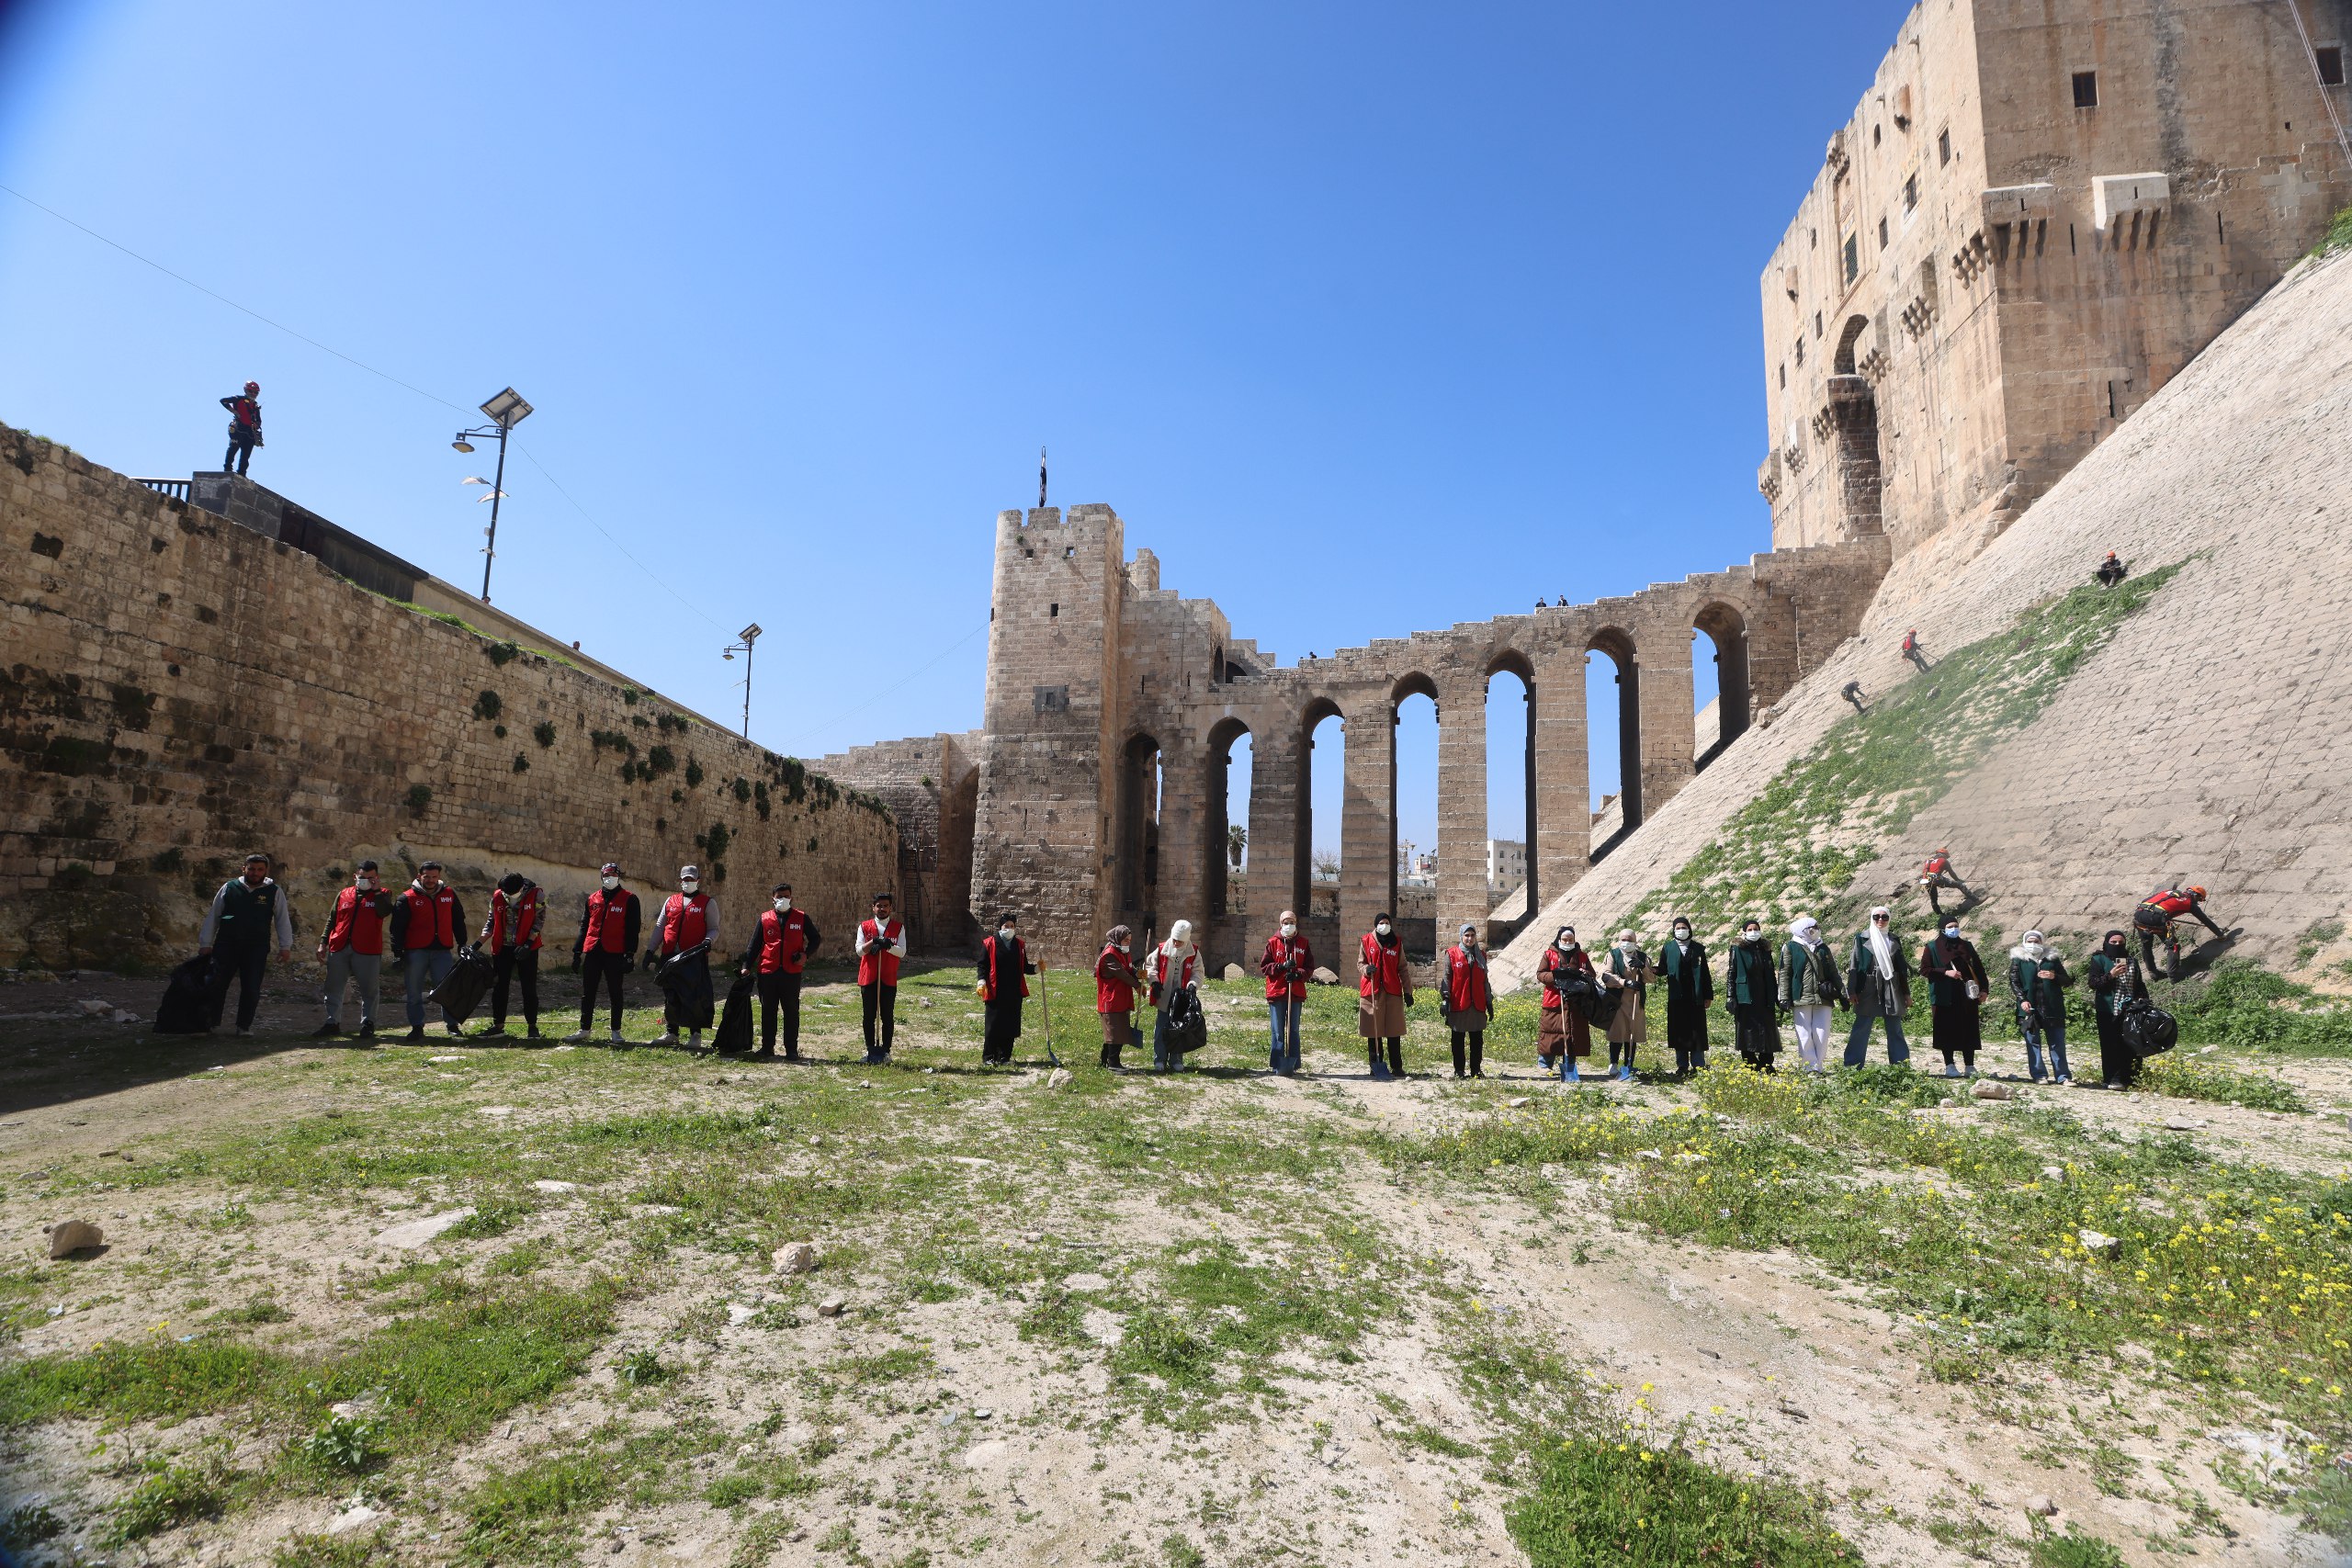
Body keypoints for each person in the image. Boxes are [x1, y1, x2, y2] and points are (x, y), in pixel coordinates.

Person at [198, 852, 295, 1036]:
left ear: (266, 871)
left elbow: (282, 920)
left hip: (256, 947)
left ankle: (244, 1026)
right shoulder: (229, 888)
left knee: (251, 987)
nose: (255, 873)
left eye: (260, 870)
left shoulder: (274, 891)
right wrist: (206, 942)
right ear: (244, 869)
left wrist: (285, 946)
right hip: (226, 944)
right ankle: (210, 1023)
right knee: (216, 984)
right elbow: (214, 915)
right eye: (251, 869)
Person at [737, 882, 820, 1060]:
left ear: (792, 898)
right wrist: (746, 966)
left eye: (786, 896)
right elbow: (754, 945)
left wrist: (806, 955)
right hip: (768, 971)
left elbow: (815, 939)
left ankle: (791, 1049)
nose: (783, 899)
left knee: (791, 1011)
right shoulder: (765, 918)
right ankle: (767, 1047)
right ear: (773, 899)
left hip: (791, 972)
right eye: (779, 896)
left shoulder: (801, 918)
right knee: (768, 1010)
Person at [315, 860, 392, 1039]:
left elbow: (384, 912)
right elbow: (332, 919)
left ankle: (368, 1023)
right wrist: (323, 943)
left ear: (376, 878)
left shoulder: (383, 894)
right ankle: (332, 1022)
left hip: (368, 949)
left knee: (369, 989)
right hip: (340, 946)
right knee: (333, 987)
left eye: (370, 878)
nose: (365, 880)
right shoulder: (344, 894)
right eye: (362, 877)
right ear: (355, 877)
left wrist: (377, 891)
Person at [390, 862, 465, 1042]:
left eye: (434, 877)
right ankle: (417, 1027)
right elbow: (397, 928)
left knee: (446, 990)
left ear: (439, 877)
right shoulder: (406, 898)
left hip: (442, 951)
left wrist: (462, 943)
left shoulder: (449, 894)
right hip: (416, 951)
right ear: (419, 876)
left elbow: (458, 920)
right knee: (414, 991)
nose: (430, 880)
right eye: (427, 877)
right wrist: (398, 953)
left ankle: (452, 1025)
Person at [566, 864, 640, 1044]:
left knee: (615, 992)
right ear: (601, 876)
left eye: (614, 874)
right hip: (593, 950)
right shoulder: (593, 898)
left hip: (615, 952)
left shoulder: (629, 899)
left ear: (619, 877)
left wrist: (630, 954)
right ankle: (584, 1029)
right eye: (607, 874)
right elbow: (585, 926)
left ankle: (616, 1030)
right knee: (588, 991)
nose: (610, 877)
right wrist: (577, 952)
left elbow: (633, 929)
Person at [650, 865, 718, 1048]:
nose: (688, 882)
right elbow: (660, 926)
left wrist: (708, 941)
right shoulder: (671, 901)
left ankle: (695, 1034)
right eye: (685, 879)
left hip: (693, 956)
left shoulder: (707, 903)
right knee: (670, 994)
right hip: (670, 955)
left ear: (698, 881)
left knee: (693, 995)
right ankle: (671, 1032)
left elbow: (714, 928)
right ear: (680, 880)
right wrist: (650, 950)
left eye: (691, 879)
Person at [1918, 916, 1989, 1077]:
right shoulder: (1932, 947)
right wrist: (1945, 972)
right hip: (1944, 996)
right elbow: (1925, 970)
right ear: (1942, 928)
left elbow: (1979, 969)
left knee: (1968, 1028)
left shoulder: (1967, 946)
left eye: (1956, 926)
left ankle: (1970, 1065)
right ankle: (1949, 1065)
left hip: (1967, 995)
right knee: (1946, 1029)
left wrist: (1984, 990)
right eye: (1950, 926)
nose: (1954, 929)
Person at [477, 872, 545, 1040]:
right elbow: (491, 922)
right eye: (504, 892)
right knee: (499, 988)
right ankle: (498, 1026)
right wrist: (477, 943)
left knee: (528, 988)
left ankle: (532, 1027)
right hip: (503, 948)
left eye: (510, 892)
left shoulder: (536, 895)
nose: (506, 894)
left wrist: (528, 945)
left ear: (521, 887)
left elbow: (539, 922)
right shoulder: (498, 895)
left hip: (526, 948)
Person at [1843, 906, 1913, 1066]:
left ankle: (1900, 1065)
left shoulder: (1894, 939)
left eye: (1884, 917)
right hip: (1868, 985)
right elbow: (1854, 965)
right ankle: (1853, 1064)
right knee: (1862, 1026)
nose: (1880, 920)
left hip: (1892, 985)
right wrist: (1852, 990)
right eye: (1876, 917)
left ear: (1889, 919)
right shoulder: (1861, 938)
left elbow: (1901, 969)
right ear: (1871, 918)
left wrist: (1906, 994)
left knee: (1895, 1026)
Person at [1779, 916, 1845, 1073]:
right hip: (1800, 996)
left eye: (1816, 926)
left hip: (1823, 997)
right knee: (1804, 1034)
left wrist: (1843, 995)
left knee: (1822, 1034)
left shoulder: (1822, 947)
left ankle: (1818, 1066)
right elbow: (1785, 973)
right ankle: (1810, 1068)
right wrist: (1784, 997)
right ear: (1802, 930)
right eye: (1812, 927)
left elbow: (1834, 972)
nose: (1815, 929)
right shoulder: (1790, 947)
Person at [2008, 929, 2074, 1085]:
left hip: (2052, 1007)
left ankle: (2063, 1076)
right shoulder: (2019, 959)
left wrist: (2054, 976)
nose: (2033, 944)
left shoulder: (2052, 959)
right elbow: (2014, 981)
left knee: (2057, 1042)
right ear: (2024, 943)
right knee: (2033, 1042)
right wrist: (2022, 999)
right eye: (2030, 942)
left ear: (2042, 943)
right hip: (2029, 1007)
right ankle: (2039, 1075)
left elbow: (2067, 981)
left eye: (2036, 941)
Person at [2086, 929, 2149, 1089]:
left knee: (2131, 1043)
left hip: (2130, 1009)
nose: (2117, 945)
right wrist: (2111, 975)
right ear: (2107, 943)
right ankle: (2112, 1079)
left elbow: (2139, 984)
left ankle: (2132, 1078)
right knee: (2110, 1044)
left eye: (2121, 942)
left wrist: (2143, 999)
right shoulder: (2099, 959)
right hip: (2108, 1010)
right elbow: (2094, 983)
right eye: (2113, 942)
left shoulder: (2132, 961)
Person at [1358, 912, 1415, 1081]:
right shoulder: (1366, 940)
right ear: (1376, 925)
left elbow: (1403, 968)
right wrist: (1366, 969)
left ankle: (1397, 1067)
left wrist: (1408, 992)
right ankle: (1376, 1065)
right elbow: (1360, 962)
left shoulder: (1396, 942)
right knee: (1373, 1031)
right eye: (1381, 922)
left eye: (1387, 922)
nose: (1384, 925)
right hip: (1372, 990)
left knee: (1393, 1030)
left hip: (1392, 991)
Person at [977, 910, 1036, 1066]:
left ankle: (1004, 1057)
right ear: (1000, 927)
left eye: (1012, 926)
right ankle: (989, 1057)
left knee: (1010, 1025)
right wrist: (981, 981)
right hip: (995, 990)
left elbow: (1024, 967)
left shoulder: (1019, 945)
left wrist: (1037, 969)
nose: (1009, 928)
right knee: (993, 1025)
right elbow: (982, 965)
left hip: (1013, 991)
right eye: (1006, 925)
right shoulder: (989, 943)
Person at [1538, 926, 1597, 1083]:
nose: (1568, 942)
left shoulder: (1582, 956)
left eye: (1570, 939)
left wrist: (1586, 974)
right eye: (1565, 939)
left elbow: (1592, 973)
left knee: (1573, 1034)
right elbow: (1541, 974)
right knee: (1551, 1031)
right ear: (1559, 939)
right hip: (1555, 999)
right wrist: (1557, 977)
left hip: (1576, 1001)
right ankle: (1545, 1063)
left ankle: (1569, 1064)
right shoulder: (1549, 954)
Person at [2134, 883, 2225, 979]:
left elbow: (2147, 901)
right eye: (2200, 900)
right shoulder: (2189, 903)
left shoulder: (2169, 892)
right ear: (2196, 896)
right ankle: (2174, 975)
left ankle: (2153, 972)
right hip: (2156, 918)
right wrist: (2220, 935)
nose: (2197, 902)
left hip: (2139, 914)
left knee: (2146, 945)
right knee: (2173, 945)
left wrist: (2165, 913)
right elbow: (2206, 921)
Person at [856, 892, 907, 1064]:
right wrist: (874, 942)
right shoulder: (864, 926)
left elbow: (902, 952)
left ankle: (886, 1051)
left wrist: (888, 945)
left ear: (890, 908)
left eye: (885, 906)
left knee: (887, 1016)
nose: (882, 909)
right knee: (868, 1016)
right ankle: (870, 1049)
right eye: (879, 906)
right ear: (873, 907)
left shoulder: (898, 927)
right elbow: (859, 951)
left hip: (888, 977)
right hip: (869, 977)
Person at [1657, 918, 1713, 1077]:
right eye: (1678, 927)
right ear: (1673, 930)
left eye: (1684, 927)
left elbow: (1705, 974)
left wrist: (1708, 995)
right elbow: (1662, 969)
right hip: (1677, 997)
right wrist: (1650, 970)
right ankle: (1682, 1065)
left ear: (1689, 929)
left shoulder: (1698, 949)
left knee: (1697, 1031)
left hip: (1696, 997)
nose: (1681, 930)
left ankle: (1698, 1065)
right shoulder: (1668, 948)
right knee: (1679, 1031)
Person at [1260, 909, 1312, 1075]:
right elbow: (1265, 966)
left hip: (1295, 991)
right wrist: (1280, 967)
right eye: (1285, 922)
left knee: (1293, 1029)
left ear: (1296, 923)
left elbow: (1309, 967)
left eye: (1291, 922)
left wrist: (1298, 974)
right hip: (1277, 991)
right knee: (1277, 1029)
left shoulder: (1303, 943)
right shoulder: (1273, 942)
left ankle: (1293, 1063)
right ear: (1280, 924)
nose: (1288, 925)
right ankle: (1277, 1063)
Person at [1148, 919, 1202, 1073]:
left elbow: (1198, 972)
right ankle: (1160, 1059)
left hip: (1181, 998)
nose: (1176, 944)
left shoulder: (1194, 952)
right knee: (1161, 1028)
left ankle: (1176, 1059)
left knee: (1179, 1029)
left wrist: (1193, 984)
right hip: (1165, 995)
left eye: (1180, 941)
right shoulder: (1161, 949)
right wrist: (1154, 982)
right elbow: (1151, 966)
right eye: (1174, 940)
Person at [1725, 919, 1780, 1071]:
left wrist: (1776, 995)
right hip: (1746, 994)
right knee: (1747, 1028)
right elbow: (1732, 973)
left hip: (1764, 994)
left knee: (1767, 1028)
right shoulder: (1738, 949)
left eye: (1756, 929)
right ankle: (1749, 1061)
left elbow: (1771, 973)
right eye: (1750, 929)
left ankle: (1767, 1062)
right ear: (1744, 932)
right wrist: (1730, 995)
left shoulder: (1765, 949)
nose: (1753, 932)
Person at [1442, 922, 1494, 1079]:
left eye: (1472, 935)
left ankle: (1476, 1070)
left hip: (1477, 1003)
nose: (1470, 938)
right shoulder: (1452, 954)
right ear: (1461, 937)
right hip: (1459, 1002)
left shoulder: (1481, 955)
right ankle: (1459, 1070)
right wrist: (1445, 998)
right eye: (1467, 935)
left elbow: (1485, 980)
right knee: (1457, 1039)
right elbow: (1446, 978)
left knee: (1477, 1039)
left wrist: (1489, 1002)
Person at [1600, 930, 1653, 1082]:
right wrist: (1625, 982)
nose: (1626, 941)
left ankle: (1629, 1063)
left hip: (1636, 1001)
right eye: (1623, 939)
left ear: (1635, 941)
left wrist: (1643, 967)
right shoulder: (1613, 955)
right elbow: (1606, 976)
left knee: (1632, 1033)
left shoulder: (1642, 957)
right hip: (1618, 1000)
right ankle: (1613, 1063)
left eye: (1629, 939)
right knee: (1617, 1032)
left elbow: (1651, 979)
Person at [1096, 925, 1137, 1070]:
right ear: (1118, 939)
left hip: (1121, 997)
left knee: (1117, 1030)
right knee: (1114, 1031)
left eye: (1129, 940)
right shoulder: (1110, 954)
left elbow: (1129, 969)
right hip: (1111, 998)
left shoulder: (1124, 952)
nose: (1128, 943)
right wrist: (1138, 985)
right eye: (1125, 940)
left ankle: (1104, 1060)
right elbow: (1123, 974)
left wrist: (1138, 973)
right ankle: (1113, 1063)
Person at [220, 381, 262, 476]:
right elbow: (223, 400)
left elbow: (259, 420)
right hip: (238, 428)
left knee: (246, 455)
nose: (253, 394)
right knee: (233, 448)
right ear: (246, 390)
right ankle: (227, 469)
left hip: (250, 432)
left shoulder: (255, 405)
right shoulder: (238, 399)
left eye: (256, 392)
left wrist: (256, 425)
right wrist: (234, 411)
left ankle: (242, 473)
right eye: (251, 391)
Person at [1919, 849, 1973, 916]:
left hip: (1925, 880)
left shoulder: (1928, 860)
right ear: (1944, 855)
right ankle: (1974, 899)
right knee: (1959, 885)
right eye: (1947, 856)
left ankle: (1940, 915)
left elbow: (1930, 871)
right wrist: (1958, 880)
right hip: (1936, 879)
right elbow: (1951, 873)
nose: (1946, 858)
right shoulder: (1944, 860)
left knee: (1933, 899)